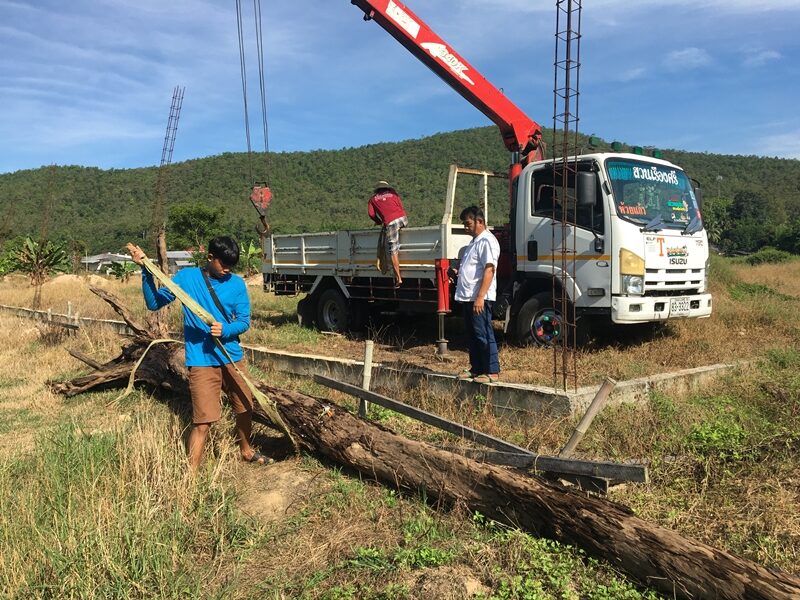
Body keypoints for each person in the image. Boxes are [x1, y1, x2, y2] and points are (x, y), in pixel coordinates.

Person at [126, 237, 270, 471]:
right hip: (202, 361)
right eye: (223, 264)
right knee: (203, 421)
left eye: (231, 266)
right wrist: (145, 270)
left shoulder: (237, 284)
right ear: (210, 258)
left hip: (232, 356)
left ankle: (246, 450)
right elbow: (154, 303)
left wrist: (227, 329)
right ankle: (190, 476)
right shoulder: (187, 278)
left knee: (245, 407)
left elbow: (244, 322)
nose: (227, 270)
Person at [453, 206, 501, 383]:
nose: (466, 227)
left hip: (479, 297)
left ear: (480, 222)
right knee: (473, 334)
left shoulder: (487, 241)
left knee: (484, 333)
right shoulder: (474, 242)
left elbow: (489, 269)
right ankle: (477, 368)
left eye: (468, 223)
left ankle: (492, 370)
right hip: (468, 297)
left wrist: (480, 296)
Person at [368, 180, 408, 287]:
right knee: (398, 230)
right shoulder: (394, 194)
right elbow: (400, 206)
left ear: (377, 190)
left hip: (390, 223)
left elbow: (371, 214)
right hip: (403, 219)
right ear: (387, 188)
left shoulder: (372, 199)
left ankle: (398, 278)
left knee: (393, 250)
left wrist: (379, 221)